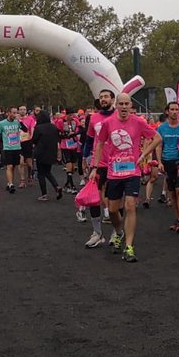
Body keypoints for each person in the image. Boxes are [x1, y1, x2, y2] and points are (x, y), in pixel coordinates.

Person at [91, 92, 159, 262]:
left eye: (126, 104)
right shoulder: (108, 123)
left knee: (130, 206)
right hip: (114, 171)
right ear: (116, 105)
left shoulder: (138, 122)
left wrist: (143, 155)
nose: (123, 107)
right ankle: (119, 232)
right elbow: (100, 144)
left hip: (132, 172)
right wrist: (94, 167)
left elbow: (157, 138)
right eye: (120, 104)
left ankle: (129, 247)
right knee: (113, 210)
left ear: (130, 106)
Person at [82, 90, 116, 248]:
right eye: (101, 97)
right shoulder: (94, 118)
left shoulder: (119, 116)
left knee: (115, 199)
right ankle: (97, 233)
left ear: (112, 99)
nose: (103, 99)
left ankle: (117, 232)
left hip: (116, 163)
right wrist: (85, 158)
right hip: (98, 163)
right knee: (93, 199)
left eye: (106, 97)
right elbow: (89, 140)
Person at [156, 102, 179, 233]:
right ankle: (177, 218)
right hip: (167, 161)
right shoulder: (162, 128)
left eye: (176, 109)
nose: (175, 112)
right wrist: (159, 162)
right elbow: (158, 145)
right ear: (167, 112)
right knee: (172, 192)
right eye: (172, 109)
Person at [32, 110, 62, 201]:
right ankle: (56, 186)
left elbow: (34, 140)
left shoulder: (38, 128)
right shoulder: (53, 127)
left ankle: (44, 194)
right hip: (51, 152)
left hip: (41, 152)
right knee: (48, 172)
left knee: (41, 173)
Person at [0, 106, 23, 192]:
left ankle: (9, 183)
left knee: (13, 166)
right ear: (9, 113)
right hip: (7, 148)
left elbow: (25, 129)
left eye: (16, 113)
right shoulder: (2, 123)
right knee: (9, 166)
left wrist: (20, 121)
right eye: (13, 113)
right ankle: (11, 185)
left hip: (17, 147)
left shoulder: (17, 122)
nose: (15, 114)